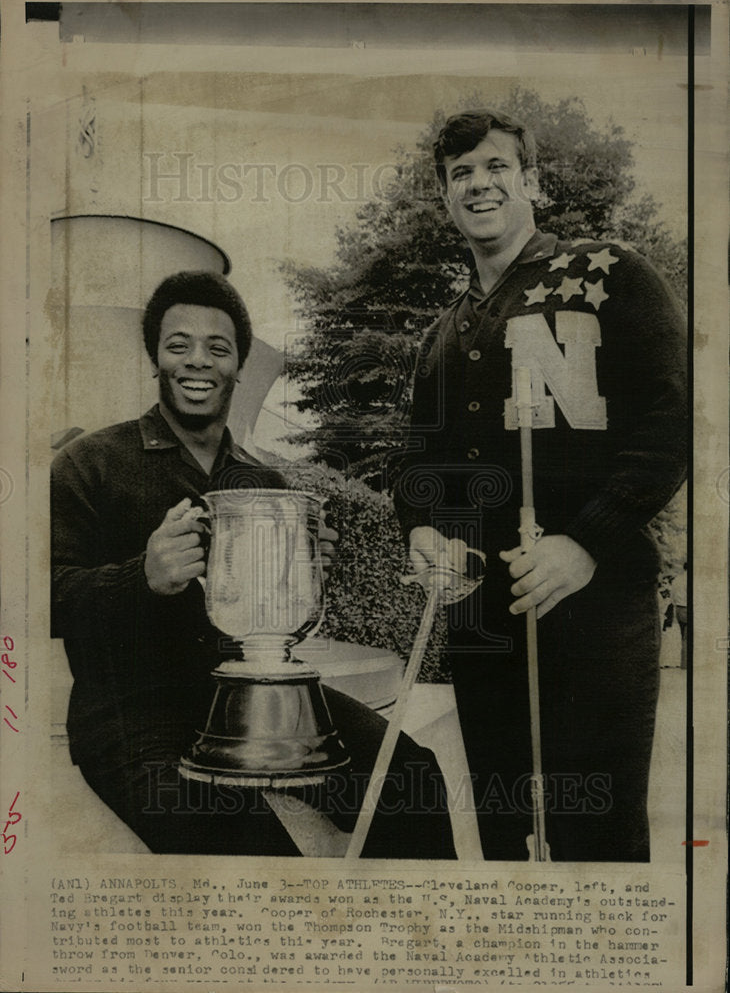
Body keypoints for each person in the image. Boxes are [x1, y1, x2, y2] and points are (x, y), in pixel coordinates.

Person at [52, 270, 455, 858]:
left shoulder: (263, 481)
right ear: (155, 358)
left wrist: (310, 570)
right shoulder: (88, 464)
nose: (198, 362)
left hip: (255, 698)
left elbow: (273, 613)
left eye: (219, 348)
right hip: (132, 715)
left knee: (411, 776)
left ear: (238, 365)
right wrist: (140, 577)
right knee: (239, 841)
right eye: (178, 345)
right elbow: (45, 601)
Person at [394, 109, 687, 861]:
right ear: (446, 197)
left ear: (533, 182)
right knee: (501, 833)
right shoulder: (442, 332)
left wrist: (586, 540)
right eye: (461, 174)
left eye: (496, 167)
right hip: (480, 622)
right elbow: (416, 467)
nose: (479, 184)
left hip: (594, 607)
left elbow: (677, 412)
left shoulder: (609, 271)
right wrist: (422, 529)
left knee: (596, 837)